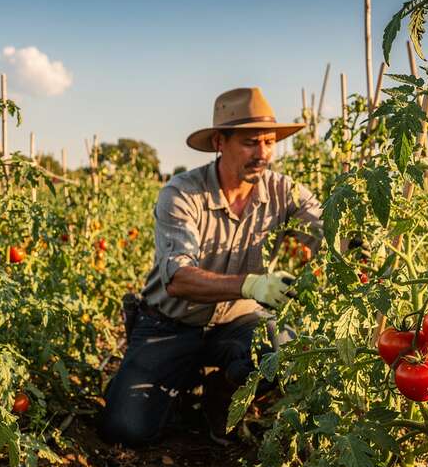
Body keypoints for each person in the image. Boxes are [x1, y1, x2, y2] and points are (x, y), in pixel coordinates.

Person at [98, 87, 324, 447]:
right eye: (251, 143)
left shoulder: (284, 191)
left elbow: (327, 228)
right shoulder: (182, 194)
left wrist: (359, 243)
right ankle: (174, 378)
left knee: (284, 350)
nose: (263, 153)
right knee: (127, 430)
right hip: (169, 324)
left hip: (238, 322)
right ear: (220, 141)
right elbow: (178, 278)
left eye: (269, 142)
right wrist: (251, 285)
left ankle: (223, 390)